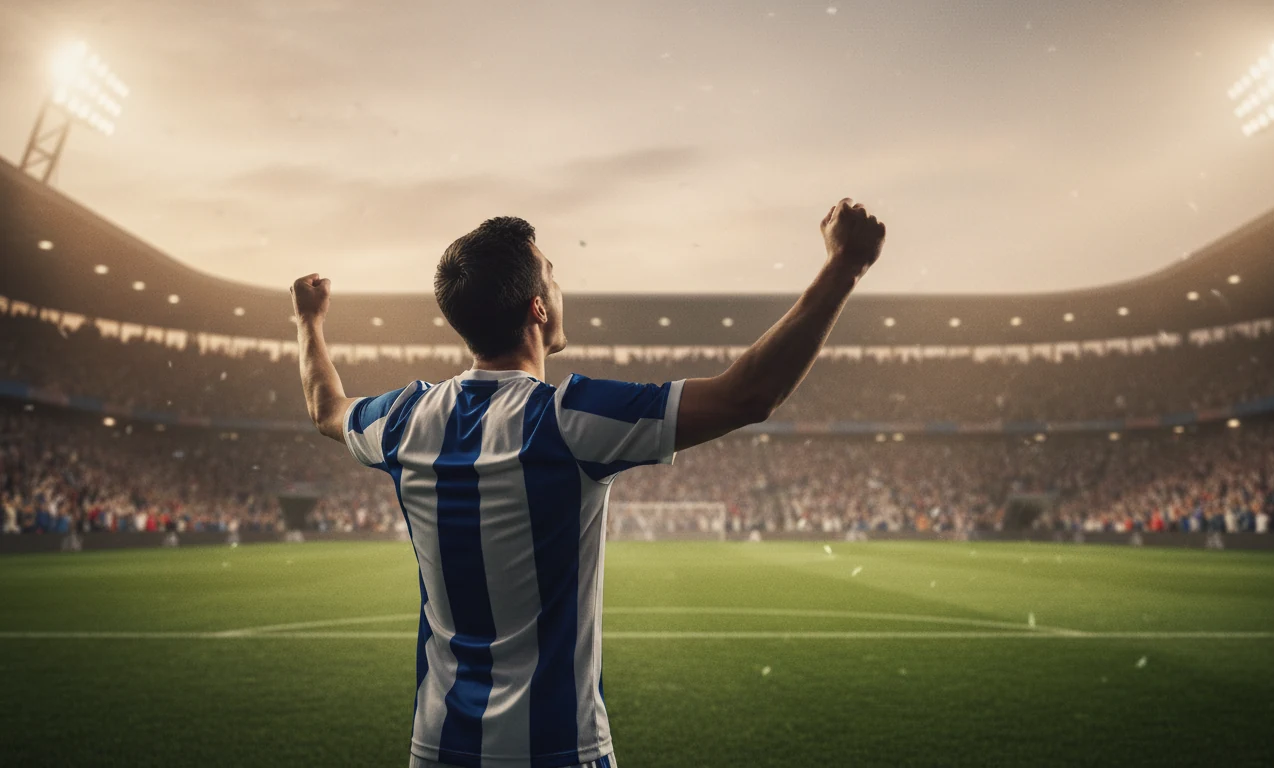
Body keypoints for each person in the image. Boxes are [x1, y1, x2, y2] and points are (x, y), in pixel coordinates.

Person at [291, 198, 886, 768]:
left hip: (439, 744)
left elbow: (326, 408)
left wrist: (308, 321)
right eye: (551, 273)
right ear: (537, 308)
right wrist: (844, 266)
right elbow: (746, 395)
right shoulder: (568, 419)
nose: (557, 282)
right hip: (554, 746)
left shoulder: (403, 419)